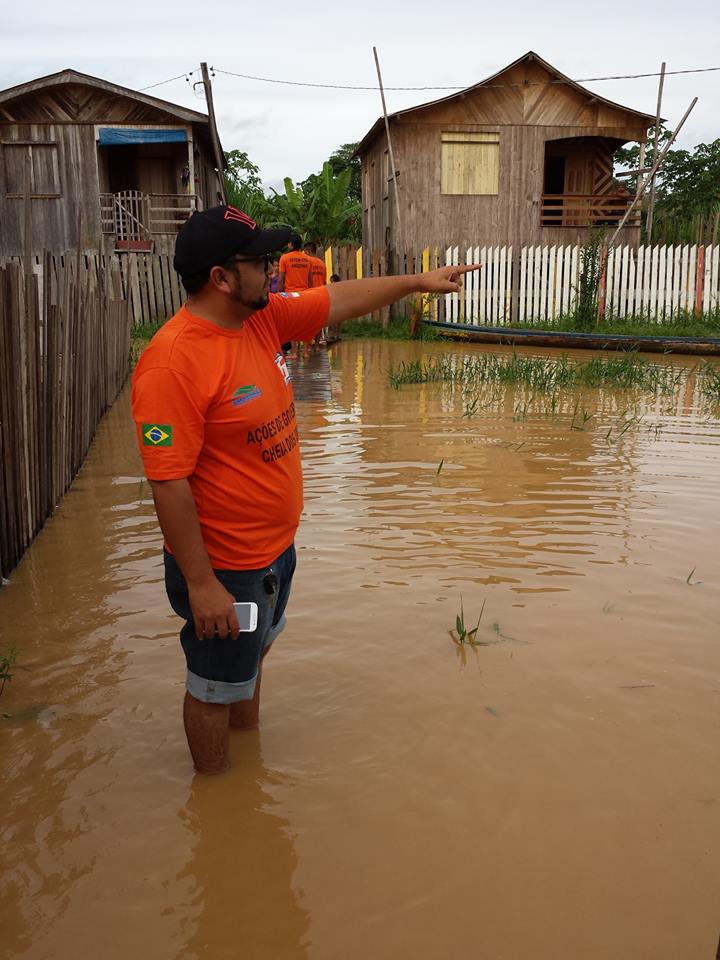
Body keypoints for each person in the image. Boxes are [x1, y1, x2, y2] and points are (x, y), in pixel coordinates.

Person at [131, 204, 477, 775]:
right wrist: (201, 584)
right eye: (259, 260)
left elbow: (338, 300)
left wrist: (417, 282)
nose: (272, 270)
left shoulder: (260, 319)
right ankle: (216, 803)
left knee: (251, 659)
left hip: (273, 553)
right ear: (220, 277)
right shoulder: (173, 363)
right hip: (226, 568)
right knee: (214, 684)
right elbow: (168, 483)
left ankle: (249, 759)